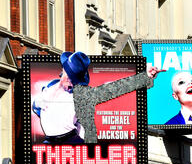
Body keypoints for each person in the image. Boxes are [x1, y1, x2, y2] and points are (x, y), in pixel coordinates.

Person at [33, 51, 164, 144]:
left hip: (70, 142)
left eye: (76, 80)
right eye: (71, 78)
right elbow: (36, 106)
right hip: (48, 143)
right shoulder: (48, 88)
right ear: (64, 71)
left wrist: (144, 76)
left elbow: (114, 88)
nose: (72, 83)